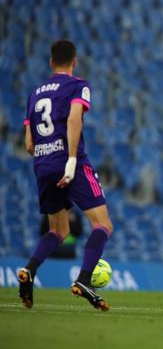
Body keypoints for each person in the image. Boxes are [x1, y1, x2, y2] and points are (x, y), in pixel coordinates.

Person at [19, 39, 114, 311]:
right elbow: (74, 119)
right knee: (103, 225)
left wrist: (48, 157)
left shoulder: (35, 94)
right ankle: (84, 279)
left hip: (42, 164)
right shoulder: (78, 85)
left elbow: (28, 143)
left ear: (51, 62)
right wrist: (71, 160)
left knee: (58, 231)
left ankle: (29, 271)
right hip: (69, 162)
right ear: (74, 62)